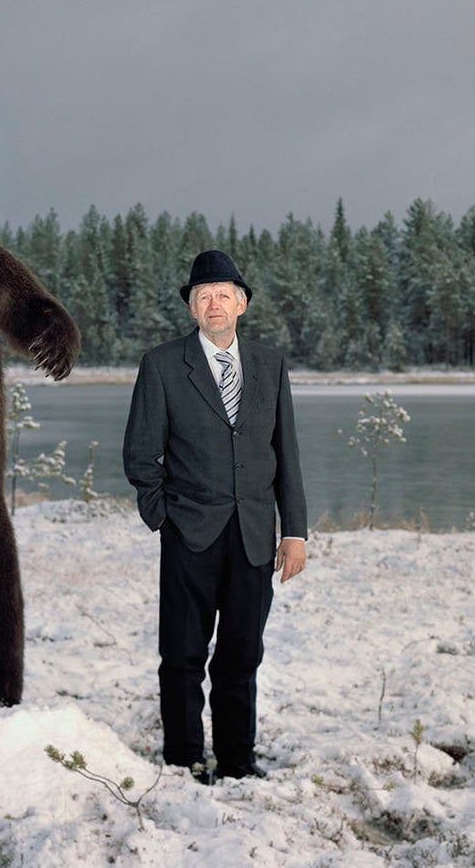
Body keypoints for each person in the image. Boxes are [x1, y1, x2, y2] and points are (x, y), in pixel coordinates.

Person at [123, 249, 307, 784]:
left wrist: (293, 530)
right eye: (203, 296)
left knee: (241, 655)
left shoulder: (270, 365)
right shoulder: (162, 364)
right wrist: (164, 518)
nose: (214, 303)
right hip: (190, 534)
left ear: (242, 303)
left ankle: (237, 760)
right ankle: (183, 758)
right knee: (181, 655)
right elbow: (140, 453)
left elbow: (286, 453)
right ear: (191, 308)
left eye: (224, 294)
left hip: (254, 536)